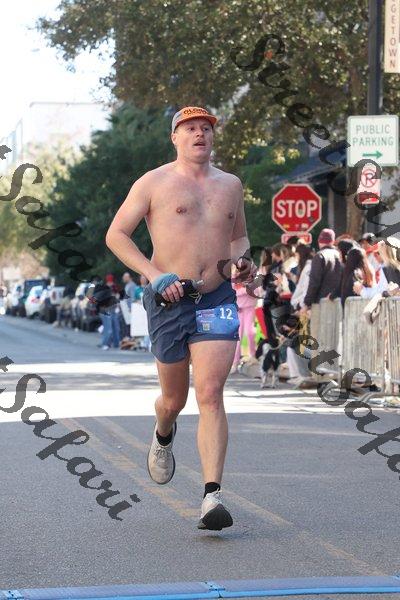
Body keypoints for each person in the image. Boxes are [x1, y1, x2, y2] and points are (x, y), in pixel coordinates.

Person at [105, 106, 257, 531]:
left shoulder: (231, 185)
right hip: (169, 300)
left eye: (206, 128)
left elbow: (239, 237)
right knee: (174, 400)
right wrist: (154, 275)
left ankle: (212, 496)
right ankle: (163, 431)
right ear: (175, 137)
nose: (199, 134)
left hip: (216, 297)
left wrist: (244, 261)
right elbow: (116, 234)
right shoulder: (153, 182)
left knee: (210, 393)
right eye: (190, 128)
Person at [302, 228, 343, 311]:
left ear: (319, 241)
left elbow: (314, 282)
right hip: (339, 302)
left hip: (321, 303)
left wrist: (307, 303)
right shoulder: (340, 255)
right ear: (333, 241)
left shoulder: (319, 256)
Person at [231, 264, 257, 373]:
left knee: (250, 332)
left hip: (249, 308)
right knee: (238, 337)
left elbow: (255, 291)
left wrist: (242, 291)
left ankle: (253, 356)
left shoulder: (251, 277)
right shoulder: (234, 277)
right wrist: (244, 291)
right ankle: (235, 362)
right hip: (239, 310)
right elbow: (232, 292)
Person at [99, 274, 121, 350]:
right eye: (109, 282)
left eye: (111, 282)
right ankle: (104, 344)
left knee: (116, 327)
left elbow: (117, 297)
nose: (111, 283)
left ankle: (116, 344)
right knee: (108, 329)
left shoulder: (114, 287)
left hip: (113, 310)